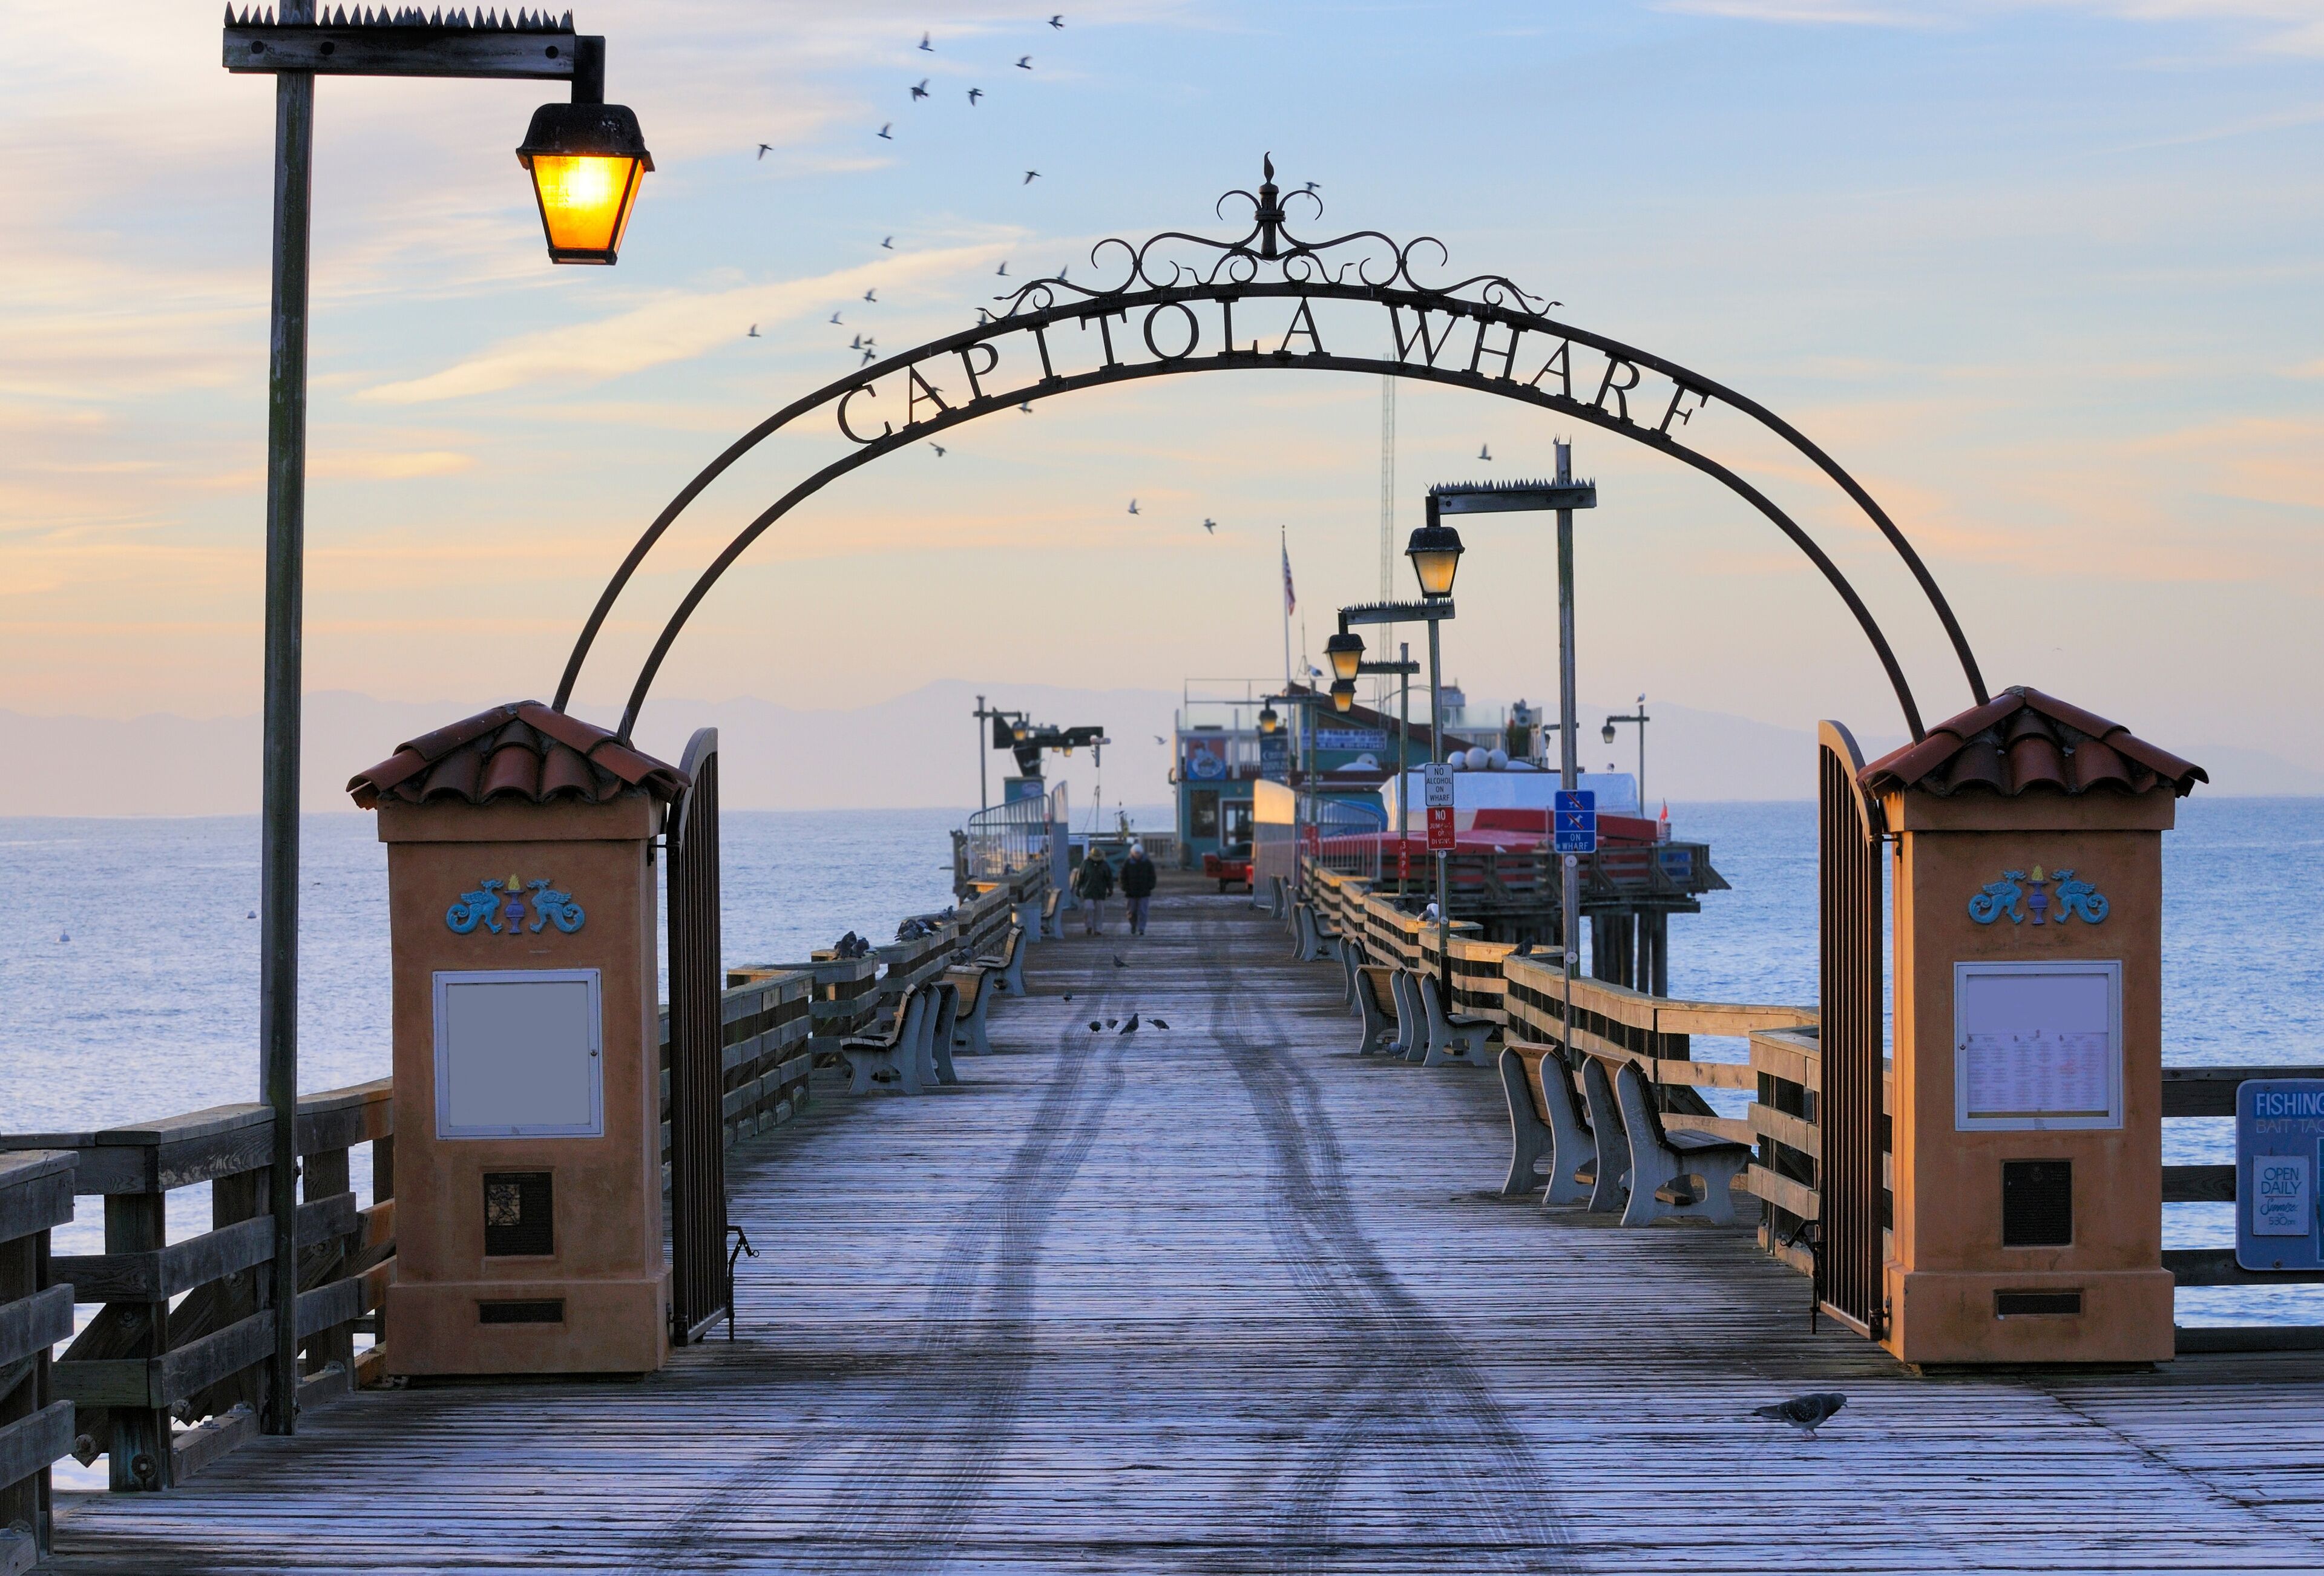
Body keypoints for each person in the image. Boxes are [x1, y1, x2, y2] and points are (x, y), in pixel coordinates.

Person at [1076, 846, 1116, 934]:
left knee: (1099, 911)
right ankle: (1089, 925)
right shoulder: (1085, 864)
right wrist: (1078, 888)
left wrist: (1110, 889)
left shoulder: (1105, 865)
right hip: (1088, 891)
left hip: (1100, 892)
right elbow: (1080, 877)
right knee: (1088, 909)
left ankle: (1098, 929)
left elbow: (1109, 878)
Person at [1120, 842, 1157, 936]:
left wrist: (1151, 886)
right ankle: (1133, 925)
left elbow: (1152, 876)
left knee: (1143, 911)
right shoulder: (1127, 863)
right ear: (1132, 853)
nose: (1137, 855)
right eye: (1136, 853)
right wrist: (1124, 887)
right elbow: (1123, 876)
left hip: (1144, 892)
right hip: (1131, 892)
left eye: (1139, 853)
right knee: (1131, 911)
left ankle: (1141, 929)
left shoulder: (1147, 863)